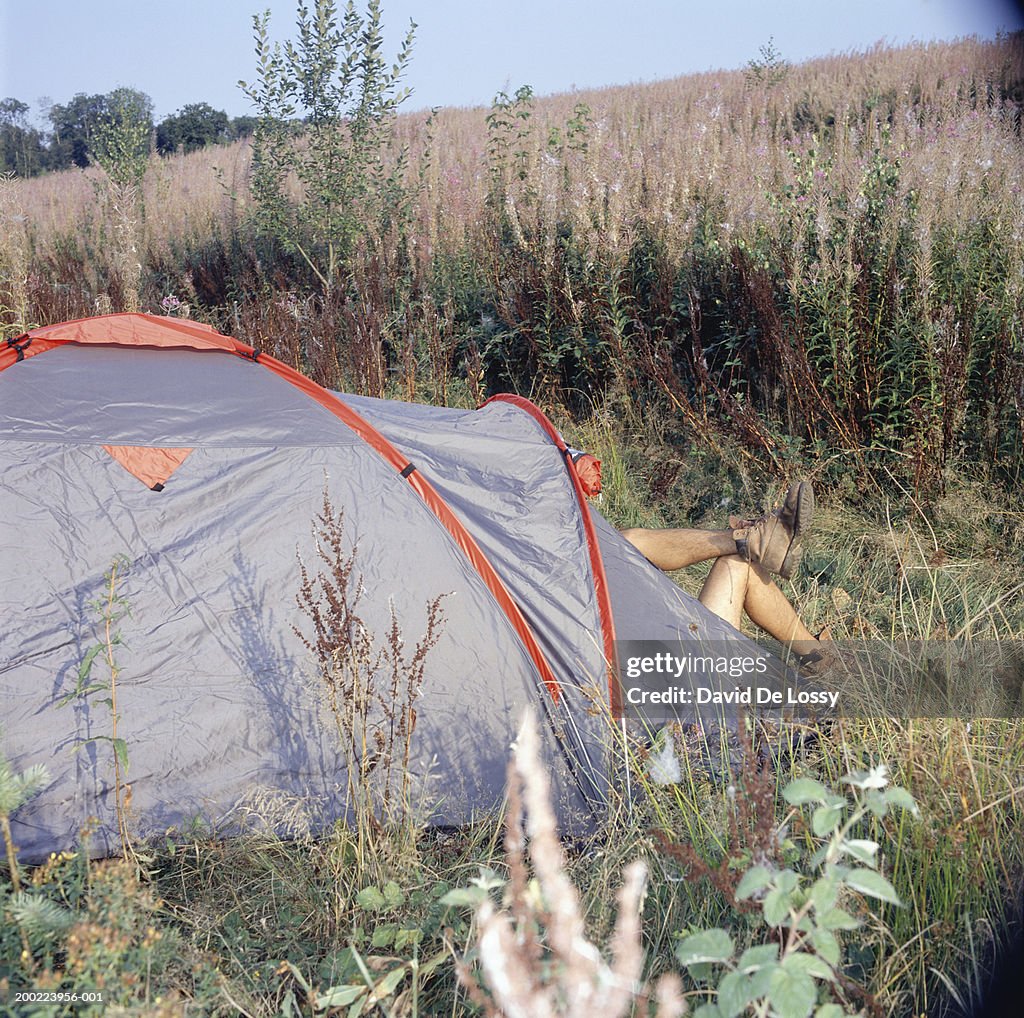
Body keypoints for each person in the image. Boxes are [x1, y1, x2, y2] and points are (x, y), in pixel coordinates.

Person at [619, 482, 828, 663]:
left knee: (738, 564)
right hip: (689, 685)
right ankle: (751, 540)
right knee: (619, 544)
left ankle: (820, 659)